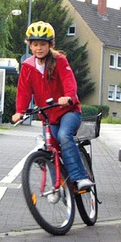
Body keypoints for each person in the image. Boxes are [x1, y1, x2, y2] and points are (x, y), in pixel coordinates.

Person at [12, 21, 94, 191]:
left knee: (64, 136)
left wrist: (69, 96)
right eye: (35, 44)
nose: (39, 48)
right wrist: (20, 111)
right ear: (30, 45)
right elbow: (24, 91)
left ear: (50, 45)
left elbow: (68, 80)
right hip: (48, 116)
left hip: (68, 112)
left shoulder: (59, 60)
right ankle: (60, 186)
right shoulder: (27, 66)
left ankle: (81, 178)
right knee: (51, 148)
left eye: (43, 44)